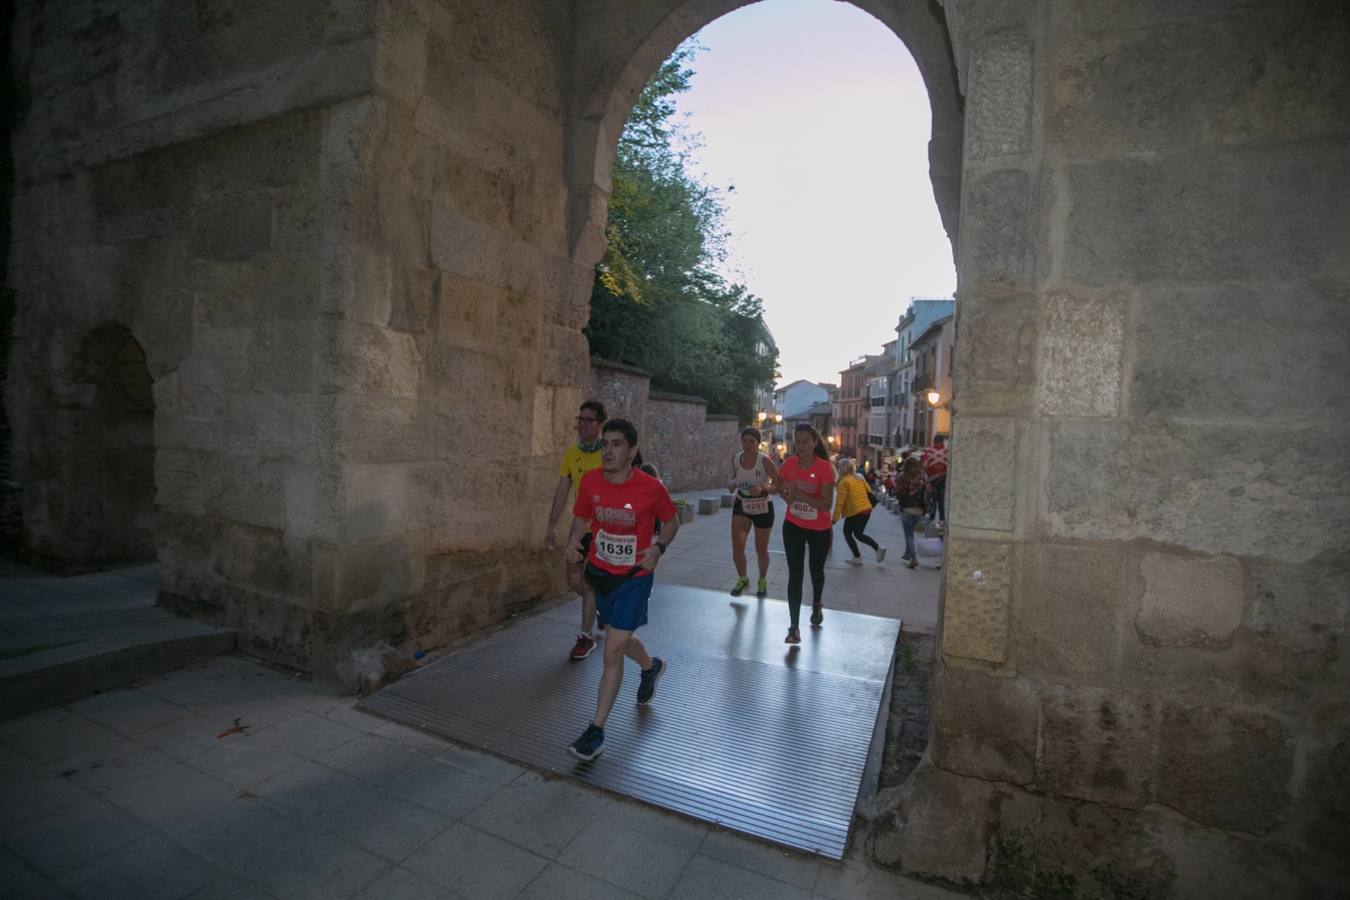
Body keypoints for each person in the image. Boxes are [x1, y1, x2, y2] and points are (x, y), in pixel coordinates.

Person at [565, 419, 679, 761]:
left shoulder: (651, 488)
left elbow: (672, 521)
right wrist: (573, 543)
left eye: (616, 445)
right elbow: (582, 519)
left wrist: (658, 549)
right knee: (619, 637)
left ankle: (596, 731)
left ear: (632, 451)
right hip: (600, 574)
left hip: (634, 577)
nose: (608, 451)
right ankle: (651, 666)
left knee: (611, 651)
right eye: (605, 444)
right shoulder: (590, 482)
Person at [546, 400, 607, 661]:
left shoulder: (608, 453)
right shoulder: (572, 454)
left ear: (600, 423)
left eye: (588, 419)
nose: (581, 424)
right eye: (579, 419)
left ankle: (586, 636)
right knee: (573, 579)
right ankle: (601, 607)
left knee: (590, 583)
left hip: (603, 529)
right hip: (580, 526)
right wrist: (550, 526)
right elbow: (562, 491)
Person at [773, 423, 835, 644]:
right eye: (798, 442)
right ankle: (793, 627)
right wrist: (785, 495)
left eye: (806, 441)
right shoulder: (789, 464)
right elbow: (780, 485)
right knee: (795, 574)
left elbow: (826, 505)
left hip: (819, 528)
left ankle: (817, 602)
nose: (801, 446)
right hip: (793, 525)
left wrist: (799, 495)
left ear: (815, 442)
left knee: (816, 571)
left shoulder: (826, 468)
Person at [727, 427, 779, 599]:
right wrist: (732, 483)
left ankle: (762, 581)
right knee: (737, 546)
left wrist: (764, 488)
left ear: (758, 443)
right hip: (742, 503)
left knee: (761, 549)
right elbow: (735, 476)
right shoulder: (736, 458)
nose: (748, 444)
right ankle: (742, 579)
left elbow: (779, 485)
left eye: (752, 441)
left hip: (762, 506)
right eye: (745, 440)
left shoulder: (764, 461)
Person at [833, 458, 886, 565]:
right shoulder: (859, 477)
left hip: (855, 511)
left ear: (841, 469)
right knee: (858, 534)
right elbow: (869, 491)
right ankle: (878, 548)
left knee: (847, 532)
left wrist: (834, 518)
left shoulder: (844, 481)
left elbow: (840, 501)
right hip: (866, 509)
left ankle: (857, 556)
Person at [895, 456, 930, 570]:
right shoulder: (922, 477)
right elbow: (927, 491)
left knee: (909, 534)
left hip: (907, 508)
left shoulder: (902, 476)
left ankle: (914, 558)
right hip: (920, 509)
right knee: (910, 533)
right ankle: (907, 553)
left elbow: (898, 491)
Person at [922, 434, 949, 525]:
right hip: (943, 478)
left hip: (932, 479)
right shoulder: (947, 452)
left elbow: (925, 465)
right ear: (943, 441)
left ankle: (931, 518)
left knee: (932, 499)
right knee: (942, 500)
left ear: (934, 441)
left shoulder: (928, 451)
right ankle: (942, 519)